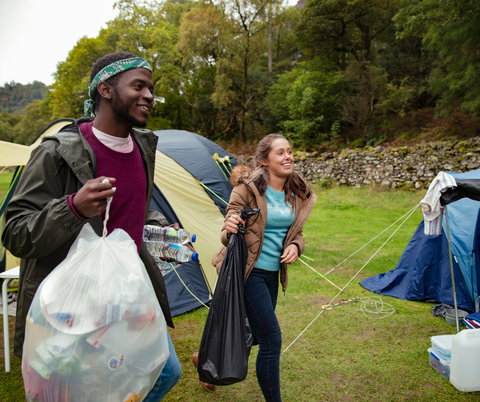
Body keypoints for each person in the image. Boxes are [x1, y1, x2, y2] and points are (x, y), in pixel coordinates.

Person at [2, 51, 181, 401]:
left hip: (127, 300)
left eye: (151, 88)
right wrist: (73, 208)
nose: (149, 96)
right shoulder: (56, 153)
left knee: (165, 371)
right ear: (106, 89)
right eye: (139, 86)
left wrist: (161, 230)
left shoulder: (144, 147)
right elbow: (16, 233)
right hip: (71, 308)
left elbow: (132, 213)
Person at [192, 133, 317, 401]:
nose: (288, 157)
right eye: (280, 153)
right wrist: (230, 227)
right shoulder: (246, 190)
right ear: (264, 160)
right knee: (272, 341)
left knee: (256, 335)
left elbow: (297, 233)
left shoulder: (296, 192)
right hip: (248, 273)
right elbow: (227, 232)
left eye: (290, 151)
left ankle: (203, 358)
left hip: (272, 274)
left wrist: (296, 246)